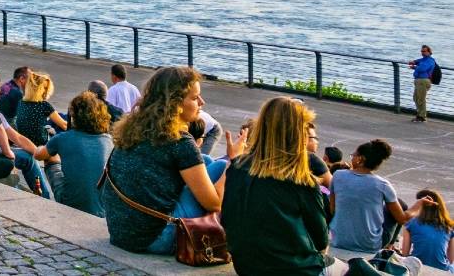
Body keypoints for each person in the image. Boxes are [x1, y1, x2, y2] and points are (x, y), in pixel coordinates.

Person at [101, 66, 241, 254]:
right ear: (174, 103)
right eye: (194, 97)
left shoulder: (133, 128)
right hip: (154, 238)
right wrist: (234, 161)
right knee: (222, 166)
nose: (202, 102)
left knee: (206, 161)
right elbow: (213, 203)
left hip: (121, 233)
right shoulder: (179, 141)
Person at [221, 96, 334, 276]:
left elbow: (226, 218)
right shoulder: (302, 181)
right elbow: (320, 241)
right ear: (298, 134)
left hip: (246, 266)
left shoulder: (238, 168)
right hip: (292, 269)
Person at [330, 139, 431, 252]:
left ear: (360, 159)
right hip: (369, 244)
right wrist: (419, 204)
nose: (352, 157)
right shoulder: (382, 185)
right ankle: (389, 246)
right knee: (399, 204)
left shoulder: (338, 175)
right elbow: (402, 219)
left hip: (339, 240)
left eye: (353, 155)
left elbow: (333, 209)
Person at [37, 92, 114, 216]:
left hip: (70, 202)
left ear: (73, 117)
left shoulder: (63, 138)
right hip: (102, 209)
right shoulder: (109, 140)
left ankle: (44, 197)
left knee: (50, 158)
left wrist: (47, 149)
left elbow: (38, 155)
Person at [401, 189, 454, 272]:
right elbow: (451, 259)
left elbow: (405, 255)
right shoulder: (448, 227)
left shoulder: (411, 224)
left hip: (419, 267)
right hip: (442, 269)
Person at [14, 72, 68, 147]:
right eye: (45, 88)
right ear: (37, 89)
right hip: (41, 143)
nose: (46, 91)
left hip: (24, 141)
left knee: (58, 117)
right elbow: (64, 125)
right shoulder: (44, 105)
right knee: (62, 121)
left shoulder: (21, 102)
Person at [410, 45, 438, 123]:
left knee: (420, 99)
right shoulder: (424, 59)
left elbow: (422, 68)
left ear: (429, 52)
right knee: (416, 98)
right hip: (419, 81)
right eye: (422, 51)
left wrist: (414, 67)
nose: (422, 53)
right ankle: (419, 115)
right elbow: (419, 61)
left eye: (424, 51)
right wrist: (414, 62)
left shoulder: (429, 60)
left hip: (423, 81)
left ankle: (421, 117)